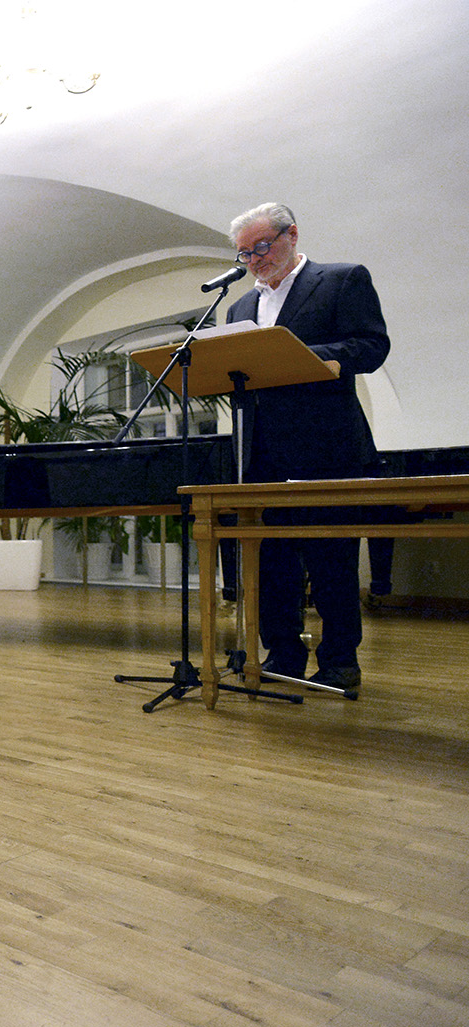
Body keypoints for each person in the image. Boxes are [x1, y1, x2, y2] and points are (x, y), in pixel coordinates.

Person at [224, 203, 389, 691]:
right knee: (272, 563)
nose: (254, 259)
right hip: (262, 453)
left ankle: (340, 660)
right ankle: (283, 655)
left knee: (331, 558)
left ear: (291, 234)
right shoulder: (238, 309)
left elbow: (371, 346)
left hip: (327, 448)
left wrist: (298, 356)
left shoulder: (340, 280)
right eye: (244, 253)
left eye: (261, 246)